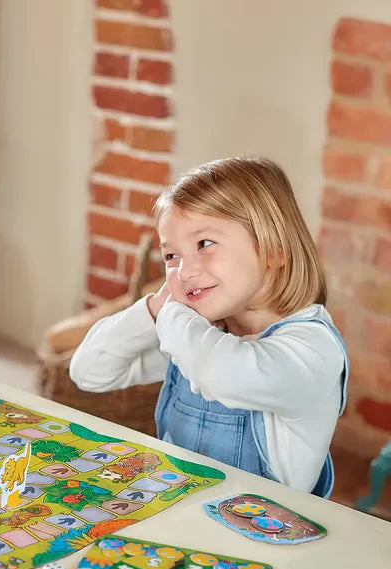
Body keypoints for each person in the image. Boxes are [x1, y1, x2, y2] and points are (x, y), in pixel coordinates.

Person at [70, 157, 348, 496]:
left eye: (204, 244)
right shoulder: (201, 334)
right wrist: (154, 310)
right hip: (179, 512)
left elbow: (223, 374)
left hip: (259, 541)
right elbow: (89, 371)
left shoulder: (313, 347)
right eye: (171, 256)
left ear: (275, 250)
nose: (184, 272)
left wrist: (173, 315)